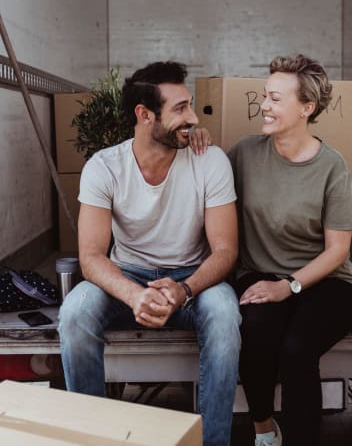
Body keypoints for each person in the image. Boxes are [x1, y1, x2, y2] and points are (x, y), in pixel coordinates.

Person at [57, 61, 241, 446]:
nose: (192, 117)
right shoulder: (104, 167)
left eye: (190, 105)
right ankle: (92, 438)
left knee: (225, 315)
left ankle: (213, 441)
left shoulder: (211, 161)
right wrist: (134, 295)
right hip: (126, 277)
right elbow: (91, 256)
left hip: (192, 278)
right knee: (74, 314)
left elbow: (225, 251)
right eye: (180, 108)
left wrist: (184, 289)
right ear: (144, 115)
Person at [227, 55, 352, 446]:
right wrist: (196, 139)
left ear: (307, 108)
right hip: (260, 272)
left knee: (298, 350)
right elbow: (202, 175)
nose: (264, 106)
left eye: (275, 99)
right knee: (256, 332)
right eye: (264, 96)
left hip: (326, 280)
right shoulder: (245, 153)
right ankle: (264, 430)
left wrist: (288, 286)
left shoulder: (332, 166)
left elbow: (338, 250)